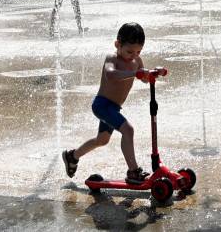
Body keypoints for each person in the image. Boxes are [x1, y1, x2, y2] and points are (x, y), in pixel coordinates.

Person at [61, 22, 154, 183]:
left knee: (102, 140)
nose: (133, 55)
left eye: (138, 51)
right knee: (128, 130)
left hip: (114, 108)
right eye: (129, 51)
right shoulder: (112, 58)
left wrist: (150, 75)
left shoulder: (137, 60)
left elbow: (143, 78)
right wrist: (134, 72)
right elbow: (111, 74)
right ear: (117, 44)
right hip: (102, 105)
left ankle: (72, 156)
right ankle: (133, 171)